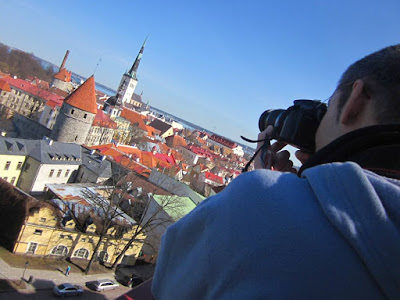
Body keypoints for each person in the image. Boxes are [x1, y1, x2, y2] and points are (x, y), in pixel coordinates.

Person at [152, 45, 400, 299]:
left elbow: (168, 284)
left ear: (354, 101)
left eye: (328, 107)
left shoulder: (260, 201)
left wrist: (270, 191)